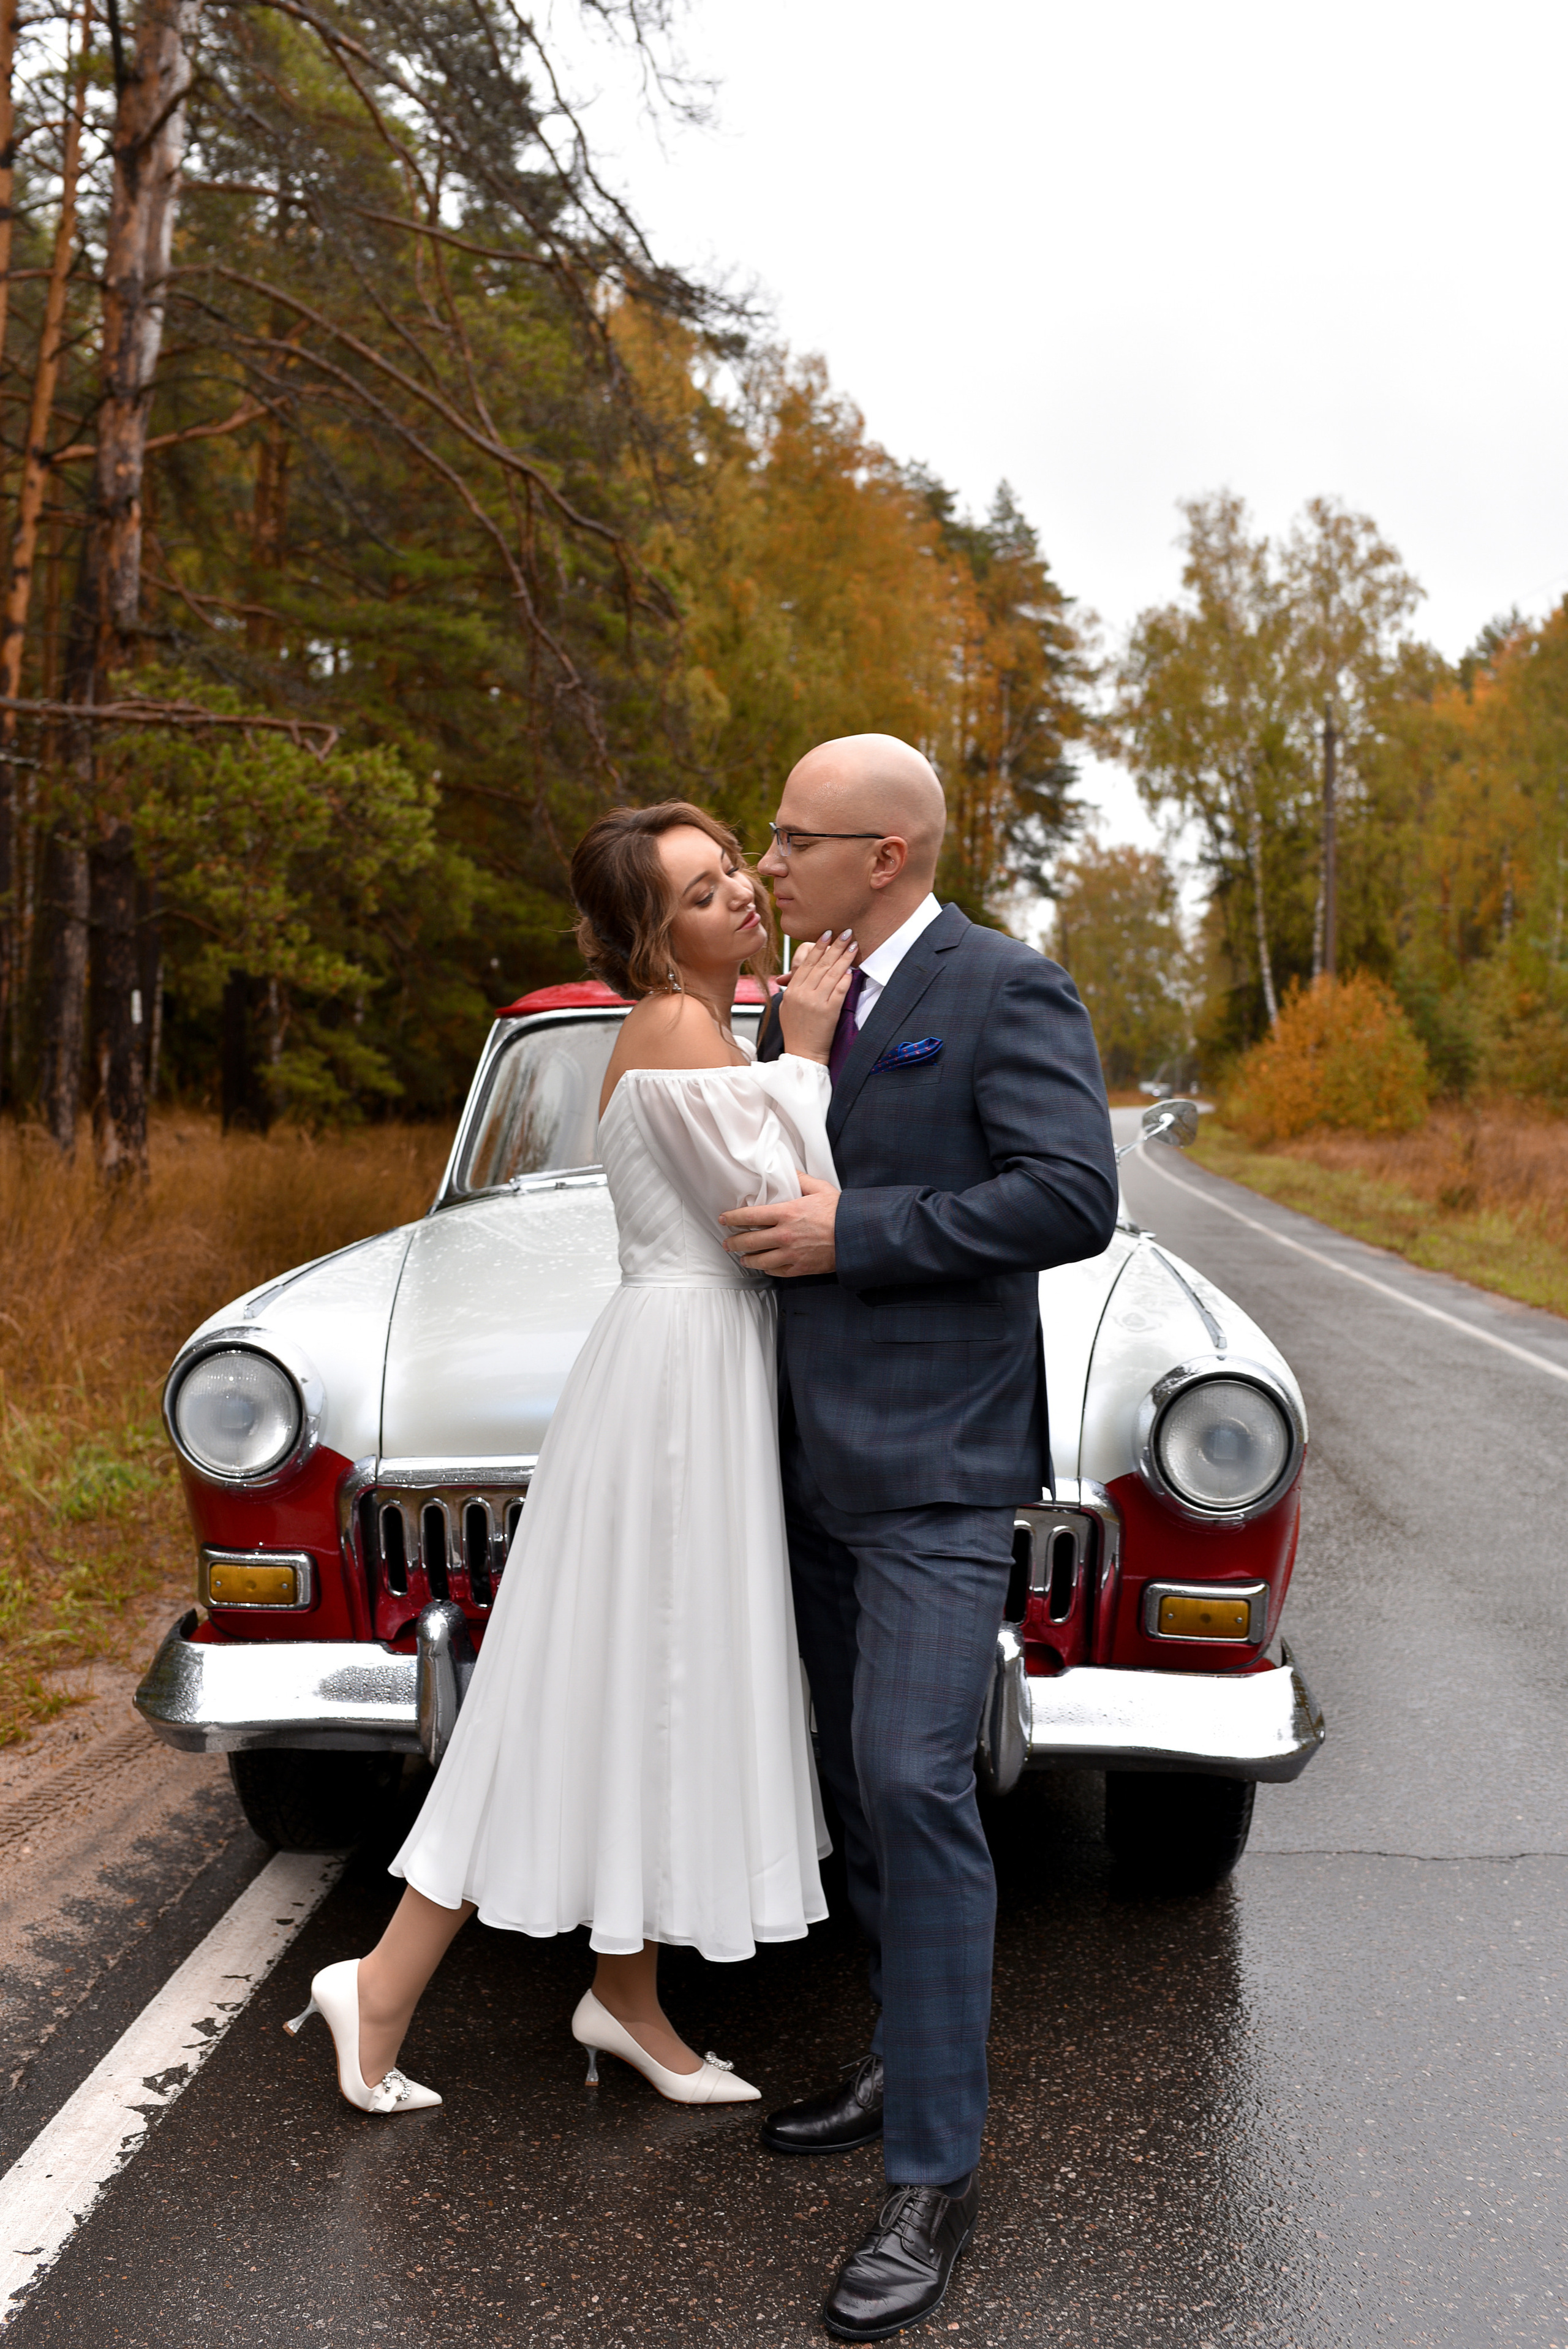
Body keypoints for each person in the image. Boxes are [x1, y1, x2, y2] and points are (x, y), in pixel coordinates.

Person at [284, 801, 859, 2115]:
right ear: (654, 938)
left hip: (693, 1369)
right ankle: (377, 1986)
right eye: (703, 893)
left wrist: (783, 1048)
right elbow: (775, 1205)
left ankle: (629, 1999)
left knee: (651, 1688)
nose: (738, 900)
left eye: (732, 875)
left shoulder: (710, 1029)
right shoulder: (668, 1026)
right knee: (596, 1686)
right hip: (671, 1379)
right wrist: (811, 1052)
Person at [720, 733, 1118, 2342]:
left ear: (885, 854)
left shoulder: (1008, 988)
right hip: (800, 1454)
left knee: (911, 1775)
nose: (772, 860)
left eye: (795, 837)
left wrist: (854, 1235)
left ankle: (933, 2173)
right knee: (847, 1785)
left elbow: (1069, 1196)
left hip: (942, 1466)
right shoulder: (803, 991)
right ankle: (899, 2051)